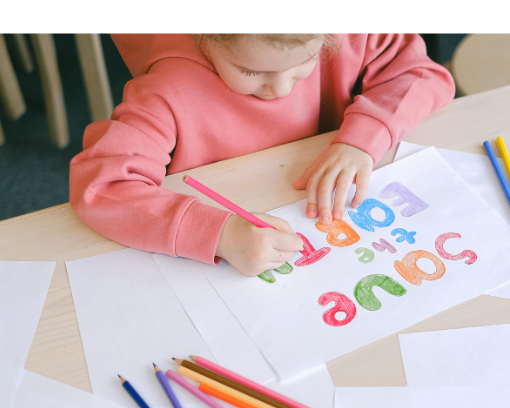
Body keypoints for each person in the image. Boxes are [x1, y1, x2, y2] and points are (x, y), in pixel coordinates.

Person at [70, 33, 455, 276]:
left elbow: (421, 75)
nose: (282, 89)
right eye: (251, 71)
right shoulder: (171, 87)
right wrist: (217, 234)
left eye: (303, 64)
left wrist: (362, 139)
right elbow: (102, 187)